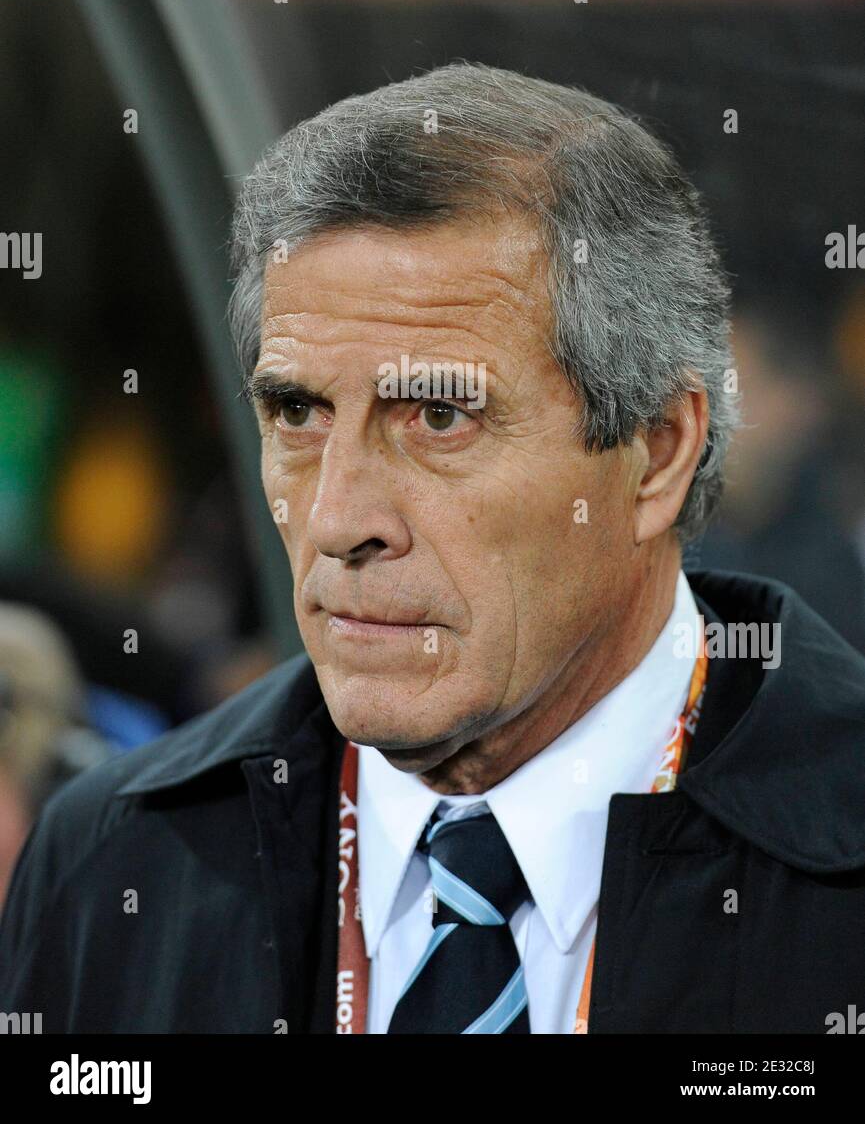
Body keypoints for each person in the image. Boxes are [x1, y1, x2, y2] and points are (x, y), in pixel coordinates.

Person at [2, 62, 864, 1034]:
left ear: (657, 451)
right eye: (296, 411)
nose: (337, 519)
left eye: (440, 416)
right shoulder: (110, 865)